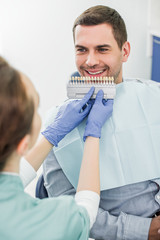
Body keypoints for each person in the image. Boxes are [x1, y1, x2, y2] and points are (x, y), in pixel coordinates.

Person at [42, 5, 160, 240]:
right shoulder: (58, 125)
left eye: (102, 49)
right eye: (81, 50)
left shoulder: (154, 96)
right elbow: (68, 210)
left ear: (124, 51)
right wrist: (144, 231)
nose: (91, 60)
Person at [0, 56, 113, 239]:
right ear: (23, 144)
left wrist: (51, 135)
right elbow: (85, 211)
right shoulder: (45, 221)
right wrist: (93, 132)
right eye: (35, 106)